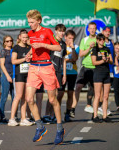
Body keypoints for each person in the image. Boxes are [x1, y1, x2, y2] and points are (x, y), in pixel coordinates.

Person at [25, 10, 64, 145]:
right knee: (29, 99)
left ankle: (59, 129)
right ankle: (40, 127)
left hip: (47, 67)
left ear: (39, 21)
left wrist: (43, 45)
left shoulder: (47, 31)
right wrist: (29, 54)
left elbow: (58, 47)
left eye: (32, 22)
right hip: (34, 67)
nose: (29, 25)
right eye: (28, 22)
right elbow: (34, 48)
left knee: (52, 99)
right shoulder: (30, 33)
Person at [71, 22, 97, 116]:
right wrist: (89, 48)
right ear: (88, 29)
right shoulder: (84, 40)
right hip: (85, 67)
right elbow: (81, 54)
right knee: (78, 87)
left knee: (96, 90)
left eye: (94, 28)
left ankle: (95, 110)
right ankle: (72, 109)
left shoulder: (98, 39)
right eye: (91, 28)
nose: (92, 30)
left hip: (96, 68)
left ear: (96, 29)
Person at [8, 30, 33, 126]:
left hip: (28, 74)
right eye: (23, 37)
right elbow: (13, 61)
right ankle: (11, 119)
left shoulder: (29, 47)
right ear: (19, 38)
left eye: (26, 37)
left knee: (25, 98)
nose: (25, 39)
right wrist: (24, 59)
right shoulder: (16, 48)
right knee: (18, 96)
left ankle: (23, 119)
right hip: (19, 74)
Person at [43, 24, 67, 124]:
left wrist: (64, 74)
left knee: (56, 94)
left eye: (63, 31)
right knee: (52, 93)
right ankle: (47, 115)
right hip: (49, 69)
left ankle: (52, 115)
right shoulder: (51, 41)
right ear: (56, 31)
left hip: (58, 71)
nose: (61, 33)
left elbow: (64, 59)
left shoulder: (64, 44)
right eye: (60, 31)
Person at [57, 30, 78, 122]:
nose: (71, 40)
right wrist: (66, 60)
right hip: (61, 73)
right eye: (69, 38)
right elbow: (60, 59)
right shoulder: (61, 45)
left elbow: (74, 59)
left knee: (70, 94)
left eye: (72, 38)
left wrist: (72, 49)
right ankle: (56, 113)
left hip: (72, 73)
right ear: (65, 37)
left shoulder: (76, 47)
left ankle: (68, 113)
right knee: (60, 94)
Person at [91, 33, 113, 123]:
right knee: (97, 95)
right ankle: (95, 115)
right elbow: (94, 62)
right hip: (98, 73)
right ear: (97, 40)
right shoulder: (94, 49)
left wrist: (108, 60)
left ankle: (105, 115)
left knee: (106, 96)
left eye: (103, 39)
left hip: (106, 73)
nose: (101, 41)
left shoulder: (107, 49)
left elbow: (111, 61)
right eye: (100, 39)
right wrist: (102, 60)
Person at [0, 35, 15, 123]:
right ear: (4, 42)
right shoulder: (3, 51)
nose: (10, 42)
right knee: (4, 97)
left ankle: (13, 116)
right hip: (6, 75)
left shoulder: (14, 51)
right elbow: (2, 65)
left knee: (14, 97)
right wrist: (8, 76)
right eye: (7, 41)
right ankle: (2, 117)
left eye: (11, 40)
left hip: (14, 75)